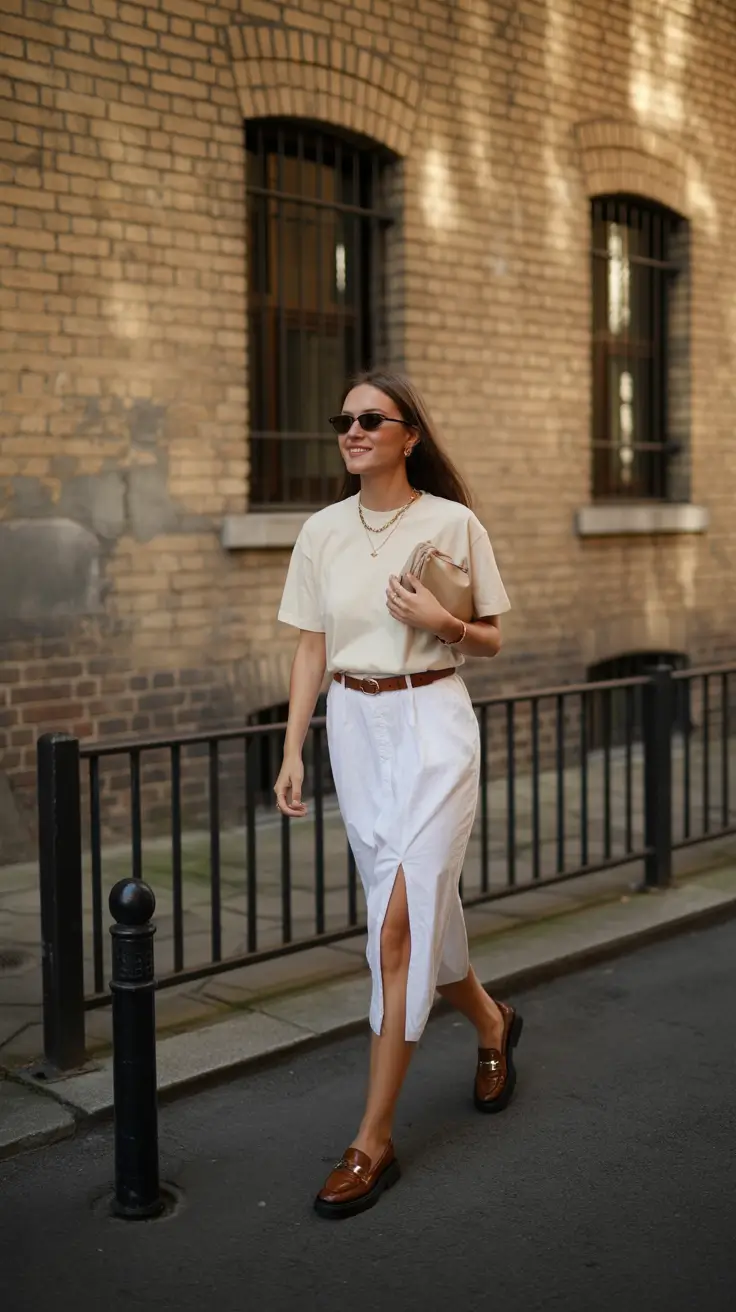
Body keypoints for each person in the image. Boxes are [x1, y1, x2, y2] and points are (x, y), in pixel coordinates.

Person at [275, 369, 522, 1220]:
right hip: (354, 728)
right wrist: (293, 748)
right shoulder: (321, 531)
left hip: (433, 725)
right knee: (417, 915)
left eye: (370, 419)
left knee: (395, 929)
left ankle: (372, 1141)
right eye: (343, 419)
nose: (352, 430)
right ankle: (491, 1023)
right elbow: (311, 648)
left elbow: (490, 638)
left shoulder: (452, 523)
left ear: (409, 435)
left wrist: (440, 621)